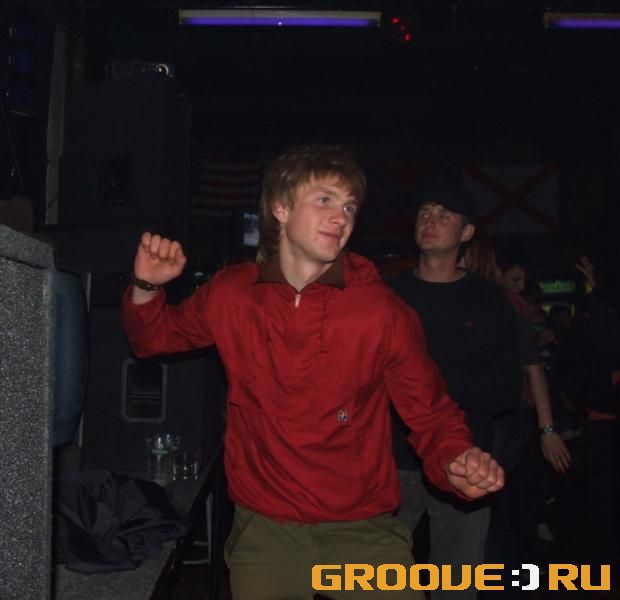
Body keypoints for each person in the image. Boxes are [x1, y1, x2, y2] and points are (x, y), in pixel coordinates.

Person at [121, 145, 504, 600]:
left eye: (349, 207)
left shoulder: (380, 311)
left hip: (361, 529)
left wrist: (455, 460)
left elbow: (432, 414)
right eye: (325, 200)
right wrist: (147, 286)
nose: (340, 217)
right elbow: (154, 339)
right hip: (266, 528)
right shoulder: (232, 293)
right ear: (280, 208)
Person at [389, 183, 521, 600]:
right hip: (391, 459)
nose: (431, 221)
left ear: (466, 232)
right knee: (376, 579)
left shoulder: (490, 300)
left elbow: (508, 389)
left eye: (444, 214)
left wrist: (435, 391)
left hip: (465, 460)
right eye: (425, 212)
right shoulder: (388, 296)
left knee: (456, 580)